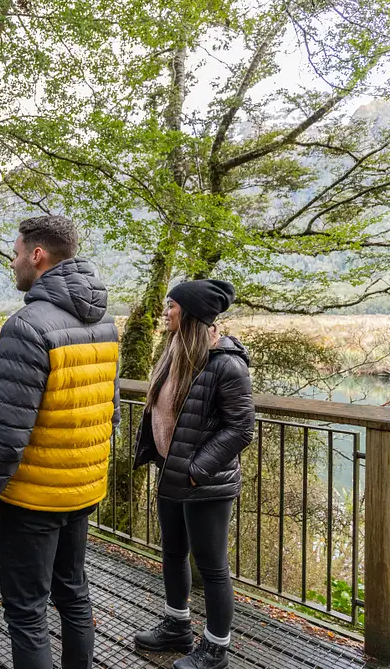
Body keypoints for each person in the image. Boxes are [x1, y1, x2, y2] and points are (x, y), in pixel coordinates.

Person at [0, 215, 121, 669]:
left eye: (15, 253)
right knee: (72, 592)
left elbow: (8, 432)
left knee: (27, 610)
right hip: (82, 488)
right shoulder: (106, 324)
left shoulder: (26, 327)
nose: (12, 262)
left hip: (34, 496)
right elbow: (105, 410)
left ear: (38, 255)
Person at [132, 279, 255, 669]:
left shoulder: (227, 364)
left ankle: (216, 648)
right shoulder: (174, 353)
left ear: (190, 315)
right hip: (172, 473)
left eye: (172, 306)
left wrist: (196, 471)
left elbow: (240, 429)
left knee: (213, 566)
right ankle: (177, 626)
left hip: (205, 483)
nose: (166, 312)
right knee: (172, 553)